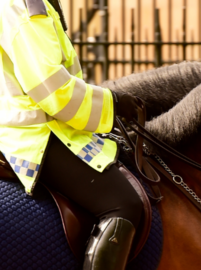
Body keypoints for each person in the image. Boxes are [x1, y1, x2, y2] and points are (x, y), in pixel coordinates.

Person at [0, 0, 144, 269]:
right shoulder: (24, 6)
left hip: (41, 125)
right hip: (35, 133)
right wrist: (112, 104)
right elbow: (54, 91)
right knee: (122, 202)